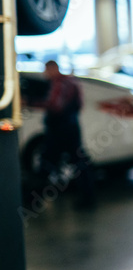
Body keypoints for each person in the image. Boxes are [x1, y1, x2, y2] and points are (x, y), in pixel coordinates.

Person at [40, 60, 94, 207]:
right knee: (78, 161)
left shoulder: (59, 83)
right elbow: (79, 104)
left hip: (60, 129)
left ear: (52, 68)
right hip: (72, 127)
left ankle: (34, 199)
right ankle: (87, 196)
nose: (45, 73)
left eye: (46, 70)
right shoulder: (72, 81)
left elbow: (55, 105)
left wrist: (31, 103)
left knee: (47, 160)